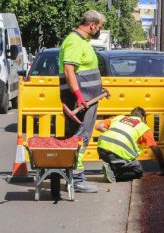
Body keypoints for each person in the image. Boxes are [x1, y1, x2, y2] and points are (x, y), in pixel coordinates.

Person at [59, 10, 105, 193]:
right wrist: (78, 96)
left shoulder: (82, 41)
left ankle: (72, 177)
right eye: (99, 26)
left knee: (78, 137)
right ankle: (77, 180)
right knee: (80, 138)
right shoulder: (75, 41)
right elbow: (69, 70)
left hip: (87, 99)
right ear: (92, 25)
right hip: (81, 101)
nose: (100, 30)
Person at [96, 107, 164, 183]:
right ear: (143, 118)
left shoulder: (119, 118)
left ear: (131, 115)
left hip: (101, 149)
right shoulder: (143, 127)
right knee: (138, 172)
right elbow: (155, 148)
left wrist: (112, 135)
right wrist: (162, 166)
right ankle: (113, 174)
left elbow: (99, 126)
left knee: (119, 162)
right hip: (118, 153)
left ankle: (112, 167)